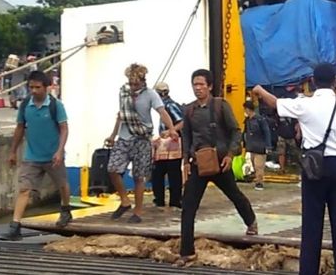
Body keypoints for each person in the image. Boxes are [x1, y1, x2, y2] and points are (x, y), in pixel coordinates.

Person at [254, 63, 336, 275]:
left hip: (314, 168)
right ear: (335, 81)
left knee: (312, 228)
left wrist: (259, 90)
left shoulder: (304, 104)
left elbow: (276, 104)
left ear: (313, 81)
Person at [178, 69, 257, 264]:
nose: (198, 88)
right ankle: (187, 252)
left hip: (221, 162)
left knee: (234, 194)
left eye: (201, 84)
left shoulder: (221, 106)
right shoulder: (188, 110)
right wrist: (185, 159)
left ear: (210, 86)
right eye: (195, 85)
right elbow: (186, 135)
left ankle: (251, 221)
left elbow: (235, 131)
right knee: (188, 206)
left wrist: (230, 154)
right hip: (198, 163)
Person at [0, 70, 70, 241]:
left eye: (38, 87)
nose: (34, 91)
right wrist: (13, 151)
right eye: (31, 87)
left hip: (52, 155)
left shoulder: (55, 105)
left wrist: (60, 150)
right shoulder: (25, 105)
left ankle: (66, 210)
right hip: (32, 155)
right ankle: (15, 226)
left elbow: (64, 128)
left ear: (47, 87)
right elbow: (19, 128)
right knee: (24, 189)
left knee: (62, 185)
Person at [105, 64, 178, 223]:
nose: (132, 87)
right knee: (112, 168)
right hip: (124, 137)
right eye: (131, 84)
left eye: (136, 84)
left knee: (139, 176)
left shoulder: (151, 95)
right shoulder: (123, 93)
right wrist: (113, 135)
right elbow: (121, 115)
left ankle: (137, 212)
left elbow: (162, 111)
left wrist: (171, 129)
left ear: (143, 82)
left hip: (142, 138)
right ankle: (125, 201)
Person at [151, 81, 184, 209]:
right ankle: (162, 199)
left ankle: (173, 200)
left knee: (170, 172)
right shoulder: (163, 107)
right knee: (161, 172)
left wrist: (171, 130)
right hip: (164, 144)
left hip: (171, 144)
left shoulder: (170, 106)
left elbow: (182, 121)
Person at [243, 100, 272, 191]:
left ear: (248, 109)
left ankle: (259, 183)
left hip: (260, 146)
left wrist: (268, 146)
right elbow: (245, 133)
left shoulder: (260, 119)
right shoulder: (247, 120)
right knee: (254, 165)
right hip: (251, 146)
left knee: (259, 165)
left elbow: (266, 132)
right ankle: (257, 179)